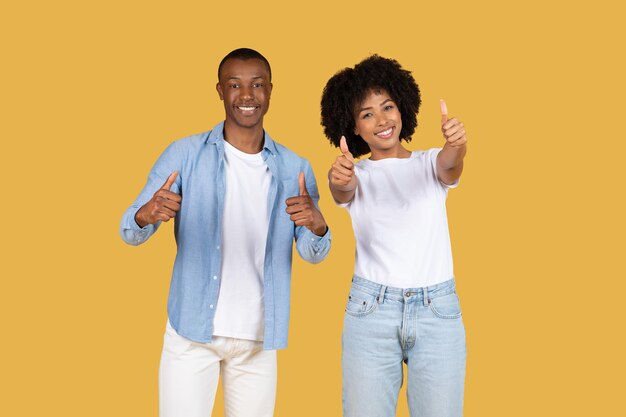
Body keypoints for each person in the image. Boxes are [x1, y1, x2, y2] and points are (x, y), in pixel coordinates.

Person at [120, 48, 331, 417]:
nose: (246, 95)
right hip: (191, 334)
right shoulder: (184, 154)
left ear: (270, 91)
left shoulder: (296, 167)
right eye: (235, 85)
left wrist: (318, 225)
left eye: (257, 85)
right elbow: (129, 229)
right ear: (220, 90)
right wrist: (146, 214)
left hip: (258, 339)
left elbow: (313, 253)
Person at [321, 55, 468, 417]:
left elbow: (450, 164)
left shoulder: (429, 163)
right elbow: (342, 190)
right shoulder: (357, 175)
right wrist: (338, 179)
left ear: (403, 107)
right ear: (353, 126)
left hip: (438, 312)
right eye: (367, 113)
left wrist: (457, 144)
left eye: (387, 106)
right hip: (372, 312)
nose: (382, 119)